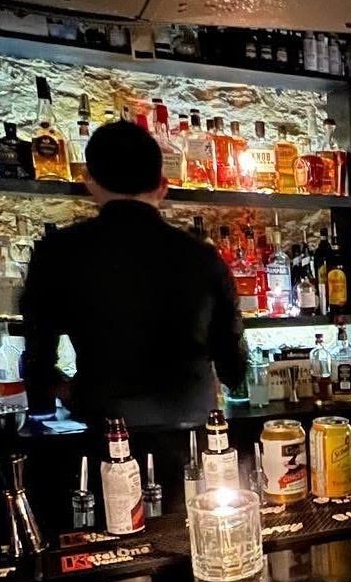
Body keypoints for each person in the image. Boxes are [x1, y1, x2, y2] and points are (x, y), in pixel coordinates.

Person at [21, 121, 245, 427]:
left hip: (106, 430)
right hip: (194, 429)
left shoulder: (57, 251)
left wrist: (66, 393)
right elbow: (234, 368)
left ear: (90, 181)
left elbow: (37, 359)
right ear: (162, 186)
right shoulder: (202, 256)